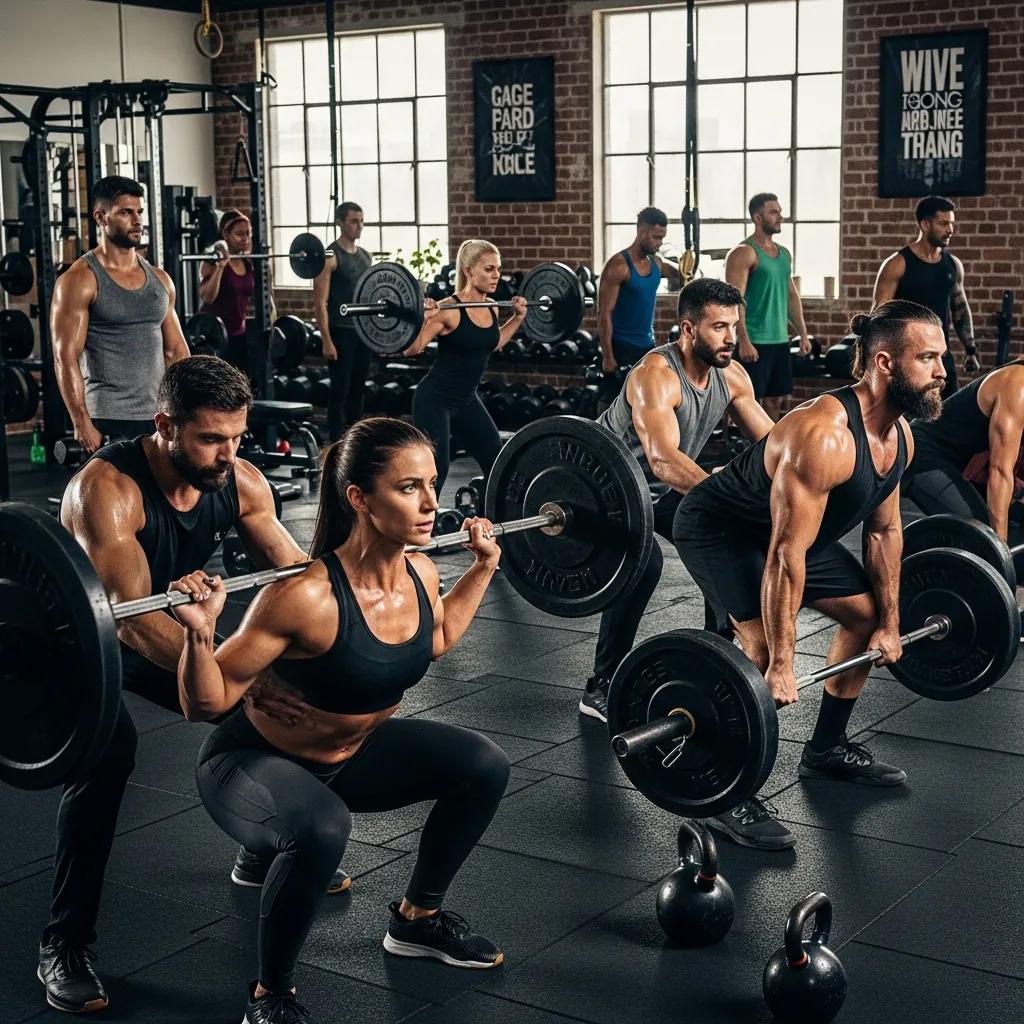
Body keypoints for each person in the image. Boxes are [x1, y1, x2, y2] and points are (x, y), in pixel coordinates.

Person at [170, 417, 511, 1024]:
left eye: (432, 483)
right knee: (322, 829)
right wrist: (199, 634)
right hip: (249, 765)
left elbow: (436, 638)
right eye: (409, 488)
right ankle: (269, 994)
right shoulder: (306, 595)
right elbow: (207, 702)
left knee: (483, 765)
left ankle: (418, 921)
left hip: (351, 758)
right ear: (359, 498)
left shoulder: (422, 572)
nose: (433, 503)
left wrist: (482, 568)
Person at [38, 356, 349, 1015]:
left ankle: (263, 844)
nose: (226, 454)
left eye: (236, 437)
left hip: (163, 623)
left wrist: (361, 611)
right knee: (109, 757)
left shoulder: (239, 480)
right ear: (164, 425)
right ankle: (64, 944)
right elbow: (133, 626)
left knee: (292, 703)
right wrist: (243, 679)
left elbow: (295, 575)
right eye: (211, 439)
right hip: (76, 645)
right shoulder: (107, 489)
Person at [674, 300, 947, 850]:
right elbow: (783, 556)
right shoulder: (823, 435)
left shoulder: (902, 439)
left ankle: (825, 748)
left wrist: (891, 623)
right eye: (928, 358)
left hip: (795, 537)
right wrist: (781, 662)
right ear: (886, 363)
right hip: (723, 529)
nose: (942, 372)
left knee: (866, 617)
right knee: (753, 647)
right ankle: (724, 789)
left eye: (941, 358)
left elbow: (884, 534)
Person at [578, 279, 775, 721]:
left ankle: (718, 650)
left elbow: (772, 444)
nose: (731, 338)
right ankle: (601, 686)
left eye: (735, 327)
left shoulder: (732, 375)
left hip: (659, 491)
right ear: (688, 329)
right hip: (606, 489)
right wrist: (725, 497)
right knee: (643, 563)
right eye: (719, 327)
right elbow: (664, 460)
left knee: (722, 540)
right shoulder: (655, 376)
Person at [51, 175, 190, 456]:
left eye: (139, 212)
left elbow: (176, 351)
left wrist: (189, 409)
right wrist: (82, 423)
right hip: (108, 417)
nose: (137, 220)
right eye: (126, 212)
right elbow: (65, 358)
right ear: (101, 217)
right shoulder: (80, 280)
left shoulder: (160, 279)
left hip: (158, 415)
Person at [402, 239, 527, 495]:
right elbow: (411, 349)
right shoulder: (449, 310)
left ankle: (491, 523)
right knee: (437, 469)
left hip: (466, 399)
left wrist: (518, 318)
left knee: (496, 459)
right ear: (469, 271)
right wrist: (423, 319)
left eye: (498, 269)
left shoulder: (491, 307)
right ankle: (422, 530)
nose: (496, 276)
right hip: (434, 400)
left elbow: (492, 343)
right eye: (489, 269)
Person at [902, 359, 1024, 543]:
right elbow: (999, 471)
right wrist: (1000, 550)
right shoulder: (1018, 385)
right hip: (926, 452)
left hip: (964, 461)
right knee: (987, 537)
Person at [873, 194, 980, 398]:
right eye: (944, 223)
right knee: (910, 422)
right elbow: (879, 316)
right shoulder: (897, 264)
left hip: (941, 357)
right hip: (909, 360)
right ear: (925, 224)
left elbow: (960, 309)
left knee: (948, 418)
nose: (950, 229)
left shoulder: (952, 265)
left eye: (952, 223)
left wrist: (970, 349)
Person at [725, 193, 811, 421]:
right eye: (773, 212)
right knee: (748, 402)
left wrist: (802, 334)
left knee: (775, 399)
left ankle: (767, 447)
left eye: (779, 212)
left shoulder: (783, 254)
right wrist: (742, 339)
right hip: (754, 340)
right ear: (757, 217)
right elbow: (735, 300)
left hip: (779, 340)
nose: (780, 217)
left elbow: (791, 295)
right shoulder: (744, 253)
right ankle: (748, 451)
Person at [597, 207, 683, 394]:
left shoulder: (657, 263)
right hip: (620, 346)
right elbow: (604, 313)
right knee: (612, 404)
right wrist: (608, 356)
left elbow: (682, 276)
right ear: (641, 231)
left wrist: (689, 262)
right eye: (656, 237)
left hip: (646, 345)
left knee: (645, 401)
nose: (660, 243)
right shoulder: (619, 266)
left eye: (662, 237)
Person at [313, 202, 372, 441]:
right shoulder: (330, 256)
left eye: (361, 221)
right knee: (340, 391)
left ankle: (354, 443)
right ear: (340, 222)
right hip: (340, 332)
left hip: (363, 332)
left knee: (358, 391)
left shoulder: (366, 256)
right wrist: (326, 340)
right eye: (353, 221)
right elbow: (320, 302)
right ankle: (337, 444)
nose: (359, 226)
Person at [198, 209, 256, 378]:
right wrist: (221, 267)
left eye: (248, 233)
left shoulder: (249, 262)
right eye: (239, 234)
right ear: (226, 234)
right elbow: (207, 297)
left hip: (239, 334)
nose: (245, 238)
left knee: (241, 386)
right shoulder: (212, 262)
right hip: (214, 337)